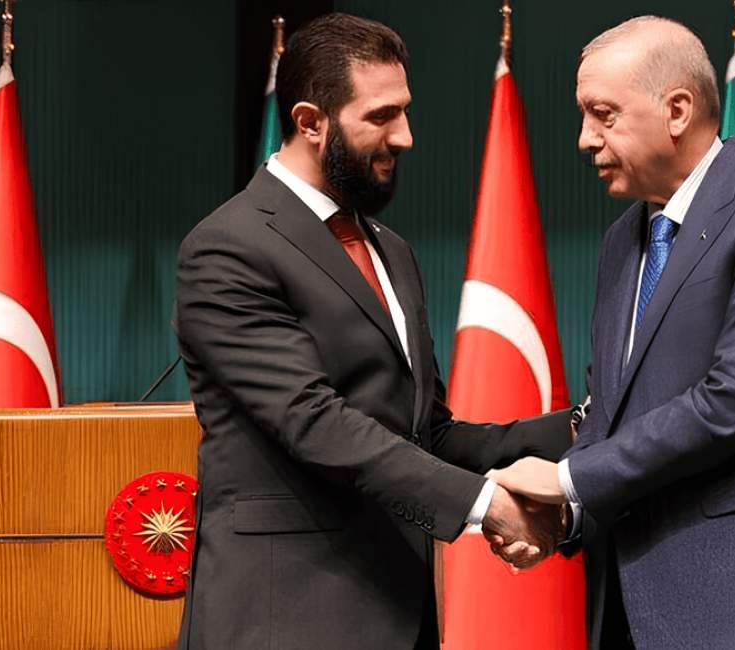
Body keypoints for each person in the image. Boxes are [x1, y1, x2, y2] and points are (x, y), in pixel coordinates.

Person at [173, 13, 568, 650]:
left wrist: (582, 427)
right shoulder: (228, 246)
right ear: (310, 121)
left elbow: (425, 434)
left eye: (404, 111)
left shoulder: (390, 249)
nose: (405, 136)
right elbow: (313, 421)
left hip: (397, 612)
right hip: (284, 619)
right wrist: (486, 505)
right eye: (381, 116)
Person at [489, 16, 735, 648]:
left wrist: (565, 481)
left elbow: (734, 401)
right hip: (635, 609)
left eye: (603, 115)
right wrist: (566, 518)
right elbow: (611, 414)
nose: (584, 139)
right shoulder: (622, 242)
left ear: (677, 110)